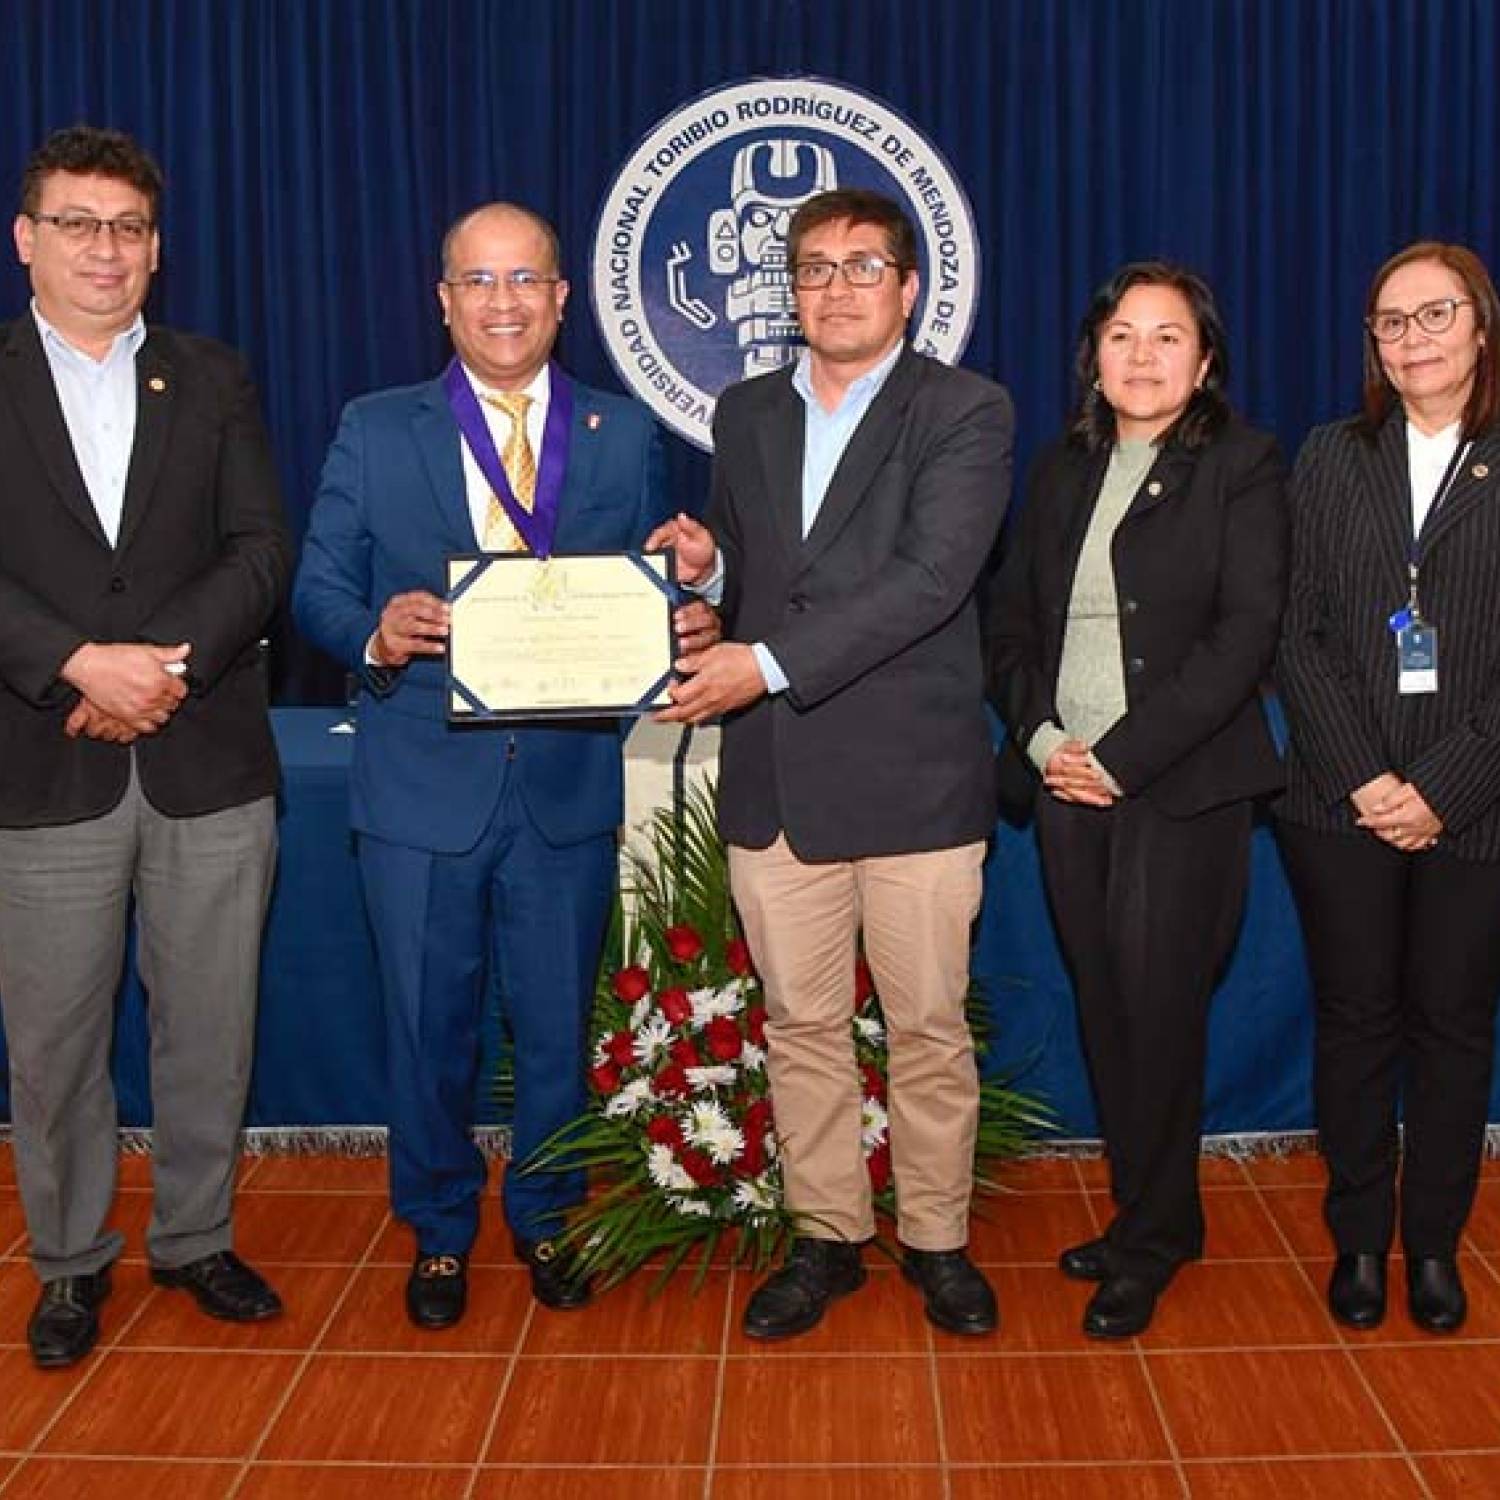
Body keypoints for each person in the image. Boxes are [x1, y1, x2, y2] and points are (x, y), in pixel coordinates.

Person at [293, 202, 715, 1328]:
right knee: (426, 1022)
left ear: (562, 297)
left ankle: (545, 1215)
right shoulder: (376, 428)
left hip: (566, 787)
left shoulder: (623, 435)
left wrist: (694, 587)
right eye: (478, 281)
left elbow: (654, 593)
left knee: (552, 1023)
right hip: (421, 787)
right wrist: (375, 633)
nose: (503, 302)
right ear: (444, 299)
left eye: (525, 280)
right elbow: (317, 588)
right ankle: (438, 1231)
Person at [651, 188, 1012, 1340]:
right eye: (814, 268)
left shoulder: (966, 409)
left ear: (909, 288)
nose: (838, 285)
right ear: (789, 290)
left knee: (927, 1029)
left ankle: (939, 1241)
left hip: (913, 777)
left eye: (864, 266)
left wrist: (758, 662)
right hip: (779, 782)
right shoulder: (748, 408)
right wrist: (709, 576)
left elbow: (928, 581)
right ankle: (826, 1237)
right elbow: (759, 575)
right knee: (801, 1027)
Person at [0, 125, 291, 1369]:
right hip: (43, 763)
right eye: (76, 223)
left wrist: (161, 671)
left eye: (124, 228)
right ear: (27, 240)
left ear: (156, 251)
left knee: (209, 1026)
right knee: (55, 1041)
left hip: (205, 760)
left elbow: (263, 552)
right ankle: (68, 1264)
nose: (102, 250)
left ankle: (195, 1237)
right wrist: (78, 663)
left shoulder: (212, 376)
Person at [987, 262, 1287, 1338]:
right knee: (1108, 1008)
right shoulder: (1063, 468)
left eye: (1169, 337)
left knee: (1161, 1014)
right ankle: (1151, 1211)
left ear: (1204, 362)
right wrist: (1042, 738)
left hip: (1178, 788)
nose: (1144, 355)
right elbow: (1011, 625)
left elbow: (1242, 639)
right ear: (1094, 357)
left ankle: (1153, 1238)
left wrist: (1122, 756)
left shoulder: (1243, 467)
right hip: (1068, 781)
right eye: (1123, 335)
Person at [1276, 242, 1500, 1335]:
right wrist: (1369, 778)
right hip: (1338, 801)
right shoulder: (1329, 456)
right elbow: (1297, 631)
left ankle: (1434, 1249)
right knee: (1357, 1021)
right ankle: (1361, 1243)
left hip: (1481, 808)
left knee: (1453, 1027)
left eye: (1434, 315)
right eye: (1390, 321)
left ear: (1481, 324)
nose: (1412, 338)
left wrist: (1444, 786)